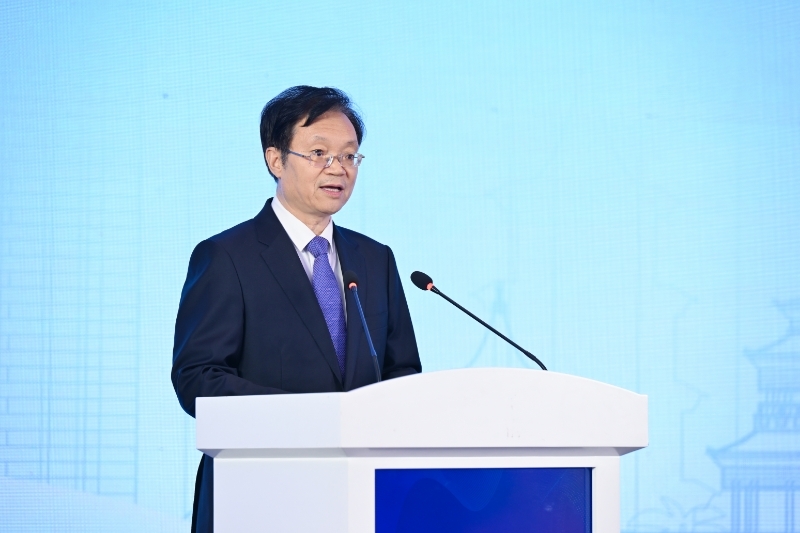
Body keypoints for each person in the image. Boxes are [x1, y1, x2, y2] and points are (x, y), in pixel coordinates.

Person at [171, 86, 422, 533]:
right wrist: (310, 418)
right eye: (319, 153)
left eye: (349, 156)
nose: (338, 168)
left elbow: (402, 373)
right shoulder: (227, 256)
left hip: (361, 498)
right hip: (258, 493)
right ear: (275, 160)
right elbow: (198, 378)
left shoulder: (375, 259)